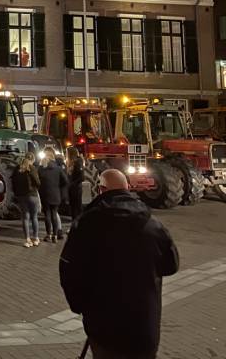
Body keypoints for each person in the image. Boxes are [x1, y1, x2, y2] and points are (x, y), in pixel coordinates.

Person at [60, 169, 179, 359]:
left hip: (103, 326)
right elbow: (171, 265)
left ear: (101, 189)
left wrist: (80, 305)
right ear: (127, 188)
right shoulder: (152, 224)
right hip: (143, 325)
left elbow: (69, 270)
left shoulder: (86, 225)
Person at [38, 149, 68, 243]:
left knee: (47, 214)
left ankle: (48, 235)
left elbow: (37, 181)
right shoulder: (58, 169)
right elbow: (65, 181)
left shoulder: (41, 169)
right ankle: (55, 235)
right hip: (56, 194)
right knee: (54, 214)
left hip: (45, 195)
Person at [12, 152, 41, 247]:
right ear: (32, 160)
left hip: (21, 196)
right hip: (32, 195)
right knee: (34, 217)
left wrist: (16, 193)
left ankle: (27, 239)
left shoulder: (17, 169)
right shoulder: (31, 168)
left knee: (25, 218)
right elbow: (37, 182)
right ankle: (36, 238)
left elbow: (13, 182)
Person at [66, 147, 85, 220]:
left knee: (76, 206)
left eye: (67, 153)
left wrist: (72, 184)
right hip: (72, 188)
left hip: (76, 188)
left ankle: (78, 223)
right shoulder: (72, 162)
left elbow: (81, 177)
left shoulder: (78, 162)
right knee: (73, 207)